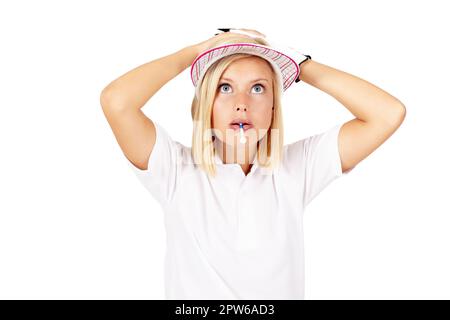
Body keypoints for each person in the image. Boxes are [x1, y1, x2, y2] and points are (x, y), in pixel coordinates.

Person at [100, 28, 406, 299]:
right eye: (225, 87)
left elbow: (388, 114)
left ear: (273, 107)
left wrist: (300, 66)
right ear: (206, 104)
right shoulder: (176, 170)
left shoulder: (297, 169)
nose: (241, 103)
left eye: (258, 88)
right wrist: (195, 53)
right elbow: (117, 101)